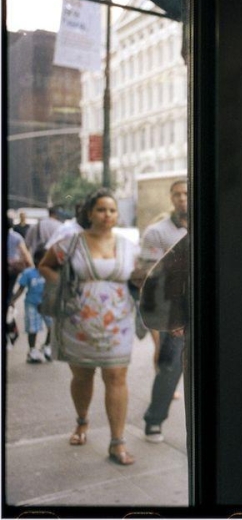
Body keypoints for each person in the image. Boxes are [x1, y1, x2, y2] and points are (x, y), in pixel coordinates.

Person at [39, 188, 141, 466]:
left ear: (117, 215)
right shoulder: (70, 243)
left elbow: (140, 279)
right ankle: (82, 423)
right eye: (101, 209)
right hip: (77, 321)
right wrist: (64, 288)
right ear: (89, 213)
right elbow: (45, 265)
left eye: (111, 210)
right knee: (83, 377)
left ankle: (117, 442)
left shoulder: (130, 247)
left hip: (117, 323)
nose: (107, 215)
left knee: (117, 377)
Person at [132, 180, 188, 444]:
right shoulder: (157, 232)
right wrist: (168, 318)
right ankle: (154, 420)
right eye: (176, 194)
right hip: (175, 315)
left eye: (186, 193)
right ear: (171, 198)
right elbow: (146, 279)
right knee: (169, 368)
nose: (181, 198)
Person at [10, 247, 53, 363]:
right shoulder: (28, 273)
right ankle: (32, 351)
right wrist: (12, 301)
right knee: (32, 329)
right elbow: (21, 289)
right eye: (38, 260)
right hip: (32, 304)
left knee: (52, 327)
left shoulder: (50, 273)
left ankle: (47, 347)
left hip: (48, 304)